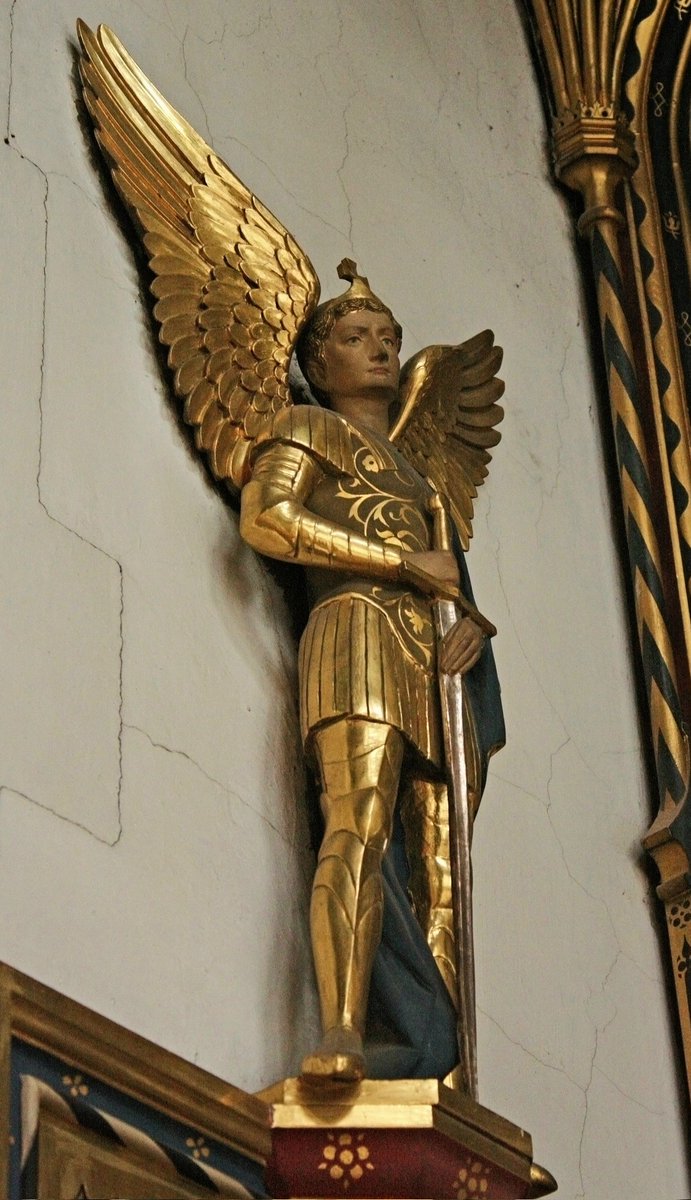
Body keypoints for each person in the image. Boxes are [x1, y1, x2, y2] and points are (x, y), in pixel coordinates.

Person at [240, 268, 504, 1084]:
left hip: (431, 659)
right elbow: (268, 519)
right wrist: (399, 564)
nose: (381, 347)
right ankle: (348, 1031)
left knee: (438, 864)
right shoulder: (306, 428)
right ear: (319, 364)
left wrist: (471, 631)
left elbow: (451, 582)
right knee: (354, 825)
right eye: (356, 337)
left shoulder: (419, 474)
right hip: (352, 631)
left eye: (387, 336)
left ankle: (437, 1061)